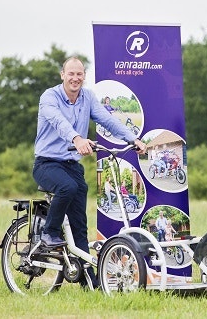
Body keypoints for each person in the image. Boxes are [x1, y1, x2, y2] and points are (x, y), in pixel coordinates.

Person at [33, 57, 147, 289]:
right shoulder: (49, 97)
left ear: (84, 76)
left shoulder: (87, 98)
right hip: (46, 163)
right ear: (62, 75)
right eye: (71, 74)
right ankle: (49, 232)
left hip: (71, 166)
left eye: (80, 74)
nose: (75, 78)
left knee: (80, 224)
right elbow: (58, 122)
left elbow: (106, 119)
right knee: (68, 187)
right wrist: (77, 138)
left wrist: (132, 138)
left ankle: (88, 281)